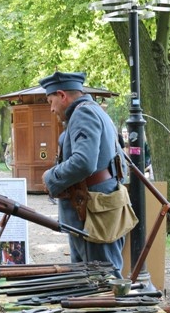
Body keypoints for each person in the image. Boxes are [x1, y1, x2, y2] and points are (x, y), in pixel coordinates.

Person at [40, 71, 125, 278]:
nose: (51, 109)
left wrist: (50, 177)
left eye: (51, 101)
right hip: (93, 207)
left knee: (100, 280)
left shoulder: (82, 113)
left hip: (91, 212)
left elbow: (84, 162)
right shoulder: (95, 111)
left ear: (62, 95)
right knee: (92, 279)